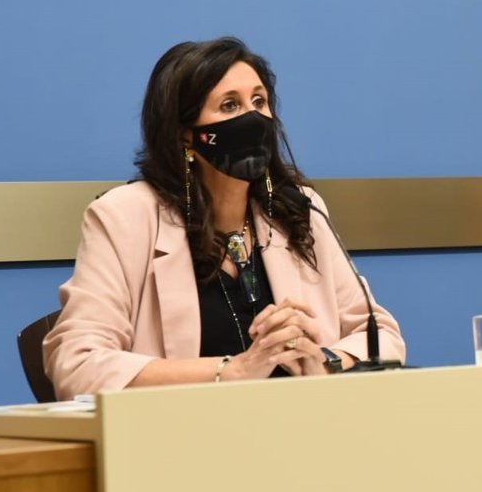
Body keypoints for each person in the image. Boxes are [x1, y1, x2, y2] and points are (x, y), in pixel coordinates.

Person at [44, 37, 405, 398]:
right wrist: (232, 371)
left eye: (259, 101)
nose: (252, 118)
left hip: (298, 422)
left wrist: (324, 362)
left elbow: (382, 337)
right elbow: (78, 364)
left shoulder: (297, 208)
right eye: (230, 105)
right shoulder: (126, 217)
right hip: (184, 428)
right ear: (186, 135)